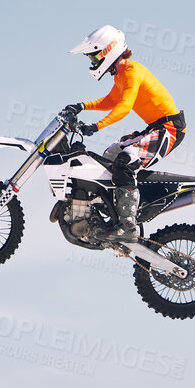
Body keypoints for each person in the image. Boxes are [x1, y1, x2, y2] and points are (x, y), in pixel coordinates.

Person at [63, 25, 186, 243]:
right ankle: (111, 211)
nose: (92, 63)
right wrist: (81, 106)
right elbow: (111, 101)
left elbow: (124, 106)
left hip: (170, 129)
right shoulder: (120, 75)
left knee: (126, 161)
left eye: (93, 58)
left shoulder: (131, 71)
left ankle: (127, 225)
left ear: (106, 51)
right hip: (155, 127)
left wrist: (97, 126)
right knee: (111, 154)